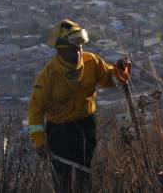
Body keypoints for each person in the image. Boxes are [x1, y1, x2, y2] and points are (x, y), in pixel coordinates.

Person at [28, 19, 131, 192]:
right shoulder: (49, 75)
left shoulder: (92, 62)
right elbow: (35, 111)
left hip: (86, 127)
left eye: (79, 47)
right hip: (59, 133)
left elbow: (109, 78)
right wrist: (39, 143)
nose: (78, 53)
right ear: (60, 51)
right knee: (63, 181)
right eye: (72, 50)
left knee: (85, 176)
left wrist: (121, 71)